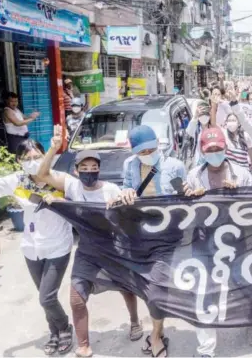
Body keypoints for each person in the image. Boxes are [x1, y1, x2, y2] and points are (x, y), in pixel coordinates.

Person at [36, 126, 143, 357]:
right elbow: (42, 175)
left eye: (94, 168)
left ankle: (135, 321)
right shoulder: (72, 185)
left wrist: (124, 199)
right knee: (76, 297)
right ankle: (83, 344)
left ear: (99, 171)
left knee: (127, 288)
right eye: (84, 168)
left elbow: (128, 207)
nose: (89, 172)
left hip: (114, 250)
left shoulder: (111, 189)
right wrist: (53, 149)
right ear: (76, 171)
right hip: (86, 251)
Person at [0, 137, 74, 355]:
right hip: (31, 247)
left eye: (37, 157)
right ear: (19, 161)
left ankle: (64, 327)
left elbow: (86, 195)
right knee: (45, 297)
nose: (33, 161)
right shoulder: (17, 180)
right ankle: (54, 332)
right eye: (27, 158)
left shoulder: (59, 179)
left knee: (46, 296)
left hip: (58, 246)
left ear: (46, 156)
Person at [111, 124, 186, 357]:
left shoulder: (175, 166)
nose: (147, 155)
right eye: (141, 152)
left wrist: (186, 191)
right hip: (140, 235)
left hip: (168, 236)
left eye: (150, 150)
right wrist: (125, 193)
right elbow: (127, 187)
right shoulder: (130, 165)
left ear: (157, 145)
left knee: (157, 288)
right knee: (147, 287)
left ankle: (155, 336)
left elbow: (183, 196)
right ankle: (158, 331)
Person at [182, 127, 252, 358]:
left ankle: (250, 317)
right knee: (205, 292)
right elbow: (186, 213)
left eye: (218, 148)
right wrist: (189, 197)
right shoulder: (193, 175)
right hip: (203, 243)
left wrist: (240, 194)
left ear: (225, 148)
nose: (214, 152)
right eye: (209, 149)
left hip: (236, 242)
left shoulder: (241, 174)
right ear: (202, 151)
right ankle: (206, 349)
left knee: (241, 284)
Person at [186, 101, 213, 166]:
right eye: (201, 114)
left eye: (206, 114)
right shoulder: (196, 129)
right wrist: (195, 116)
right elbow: (189, 131)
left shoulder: (213, 129)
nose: (204, 116)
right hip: (198, 162)